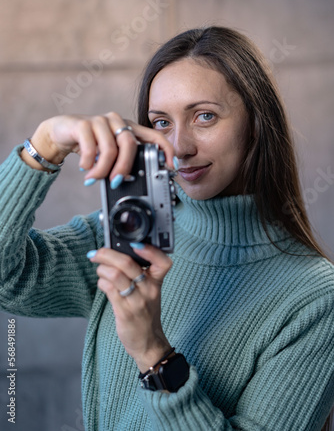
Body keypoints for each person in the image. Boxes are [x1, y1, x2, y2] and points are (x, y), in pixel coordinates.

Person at [0, 26, 333, 431]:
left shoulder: (316, 299)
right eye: (161, 122)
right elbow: (8, 278)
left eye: (204, 116)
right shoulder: (130, 235)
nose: (179, 146)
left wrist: (154, 355)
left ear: (256, 123)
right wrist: (45, 144)